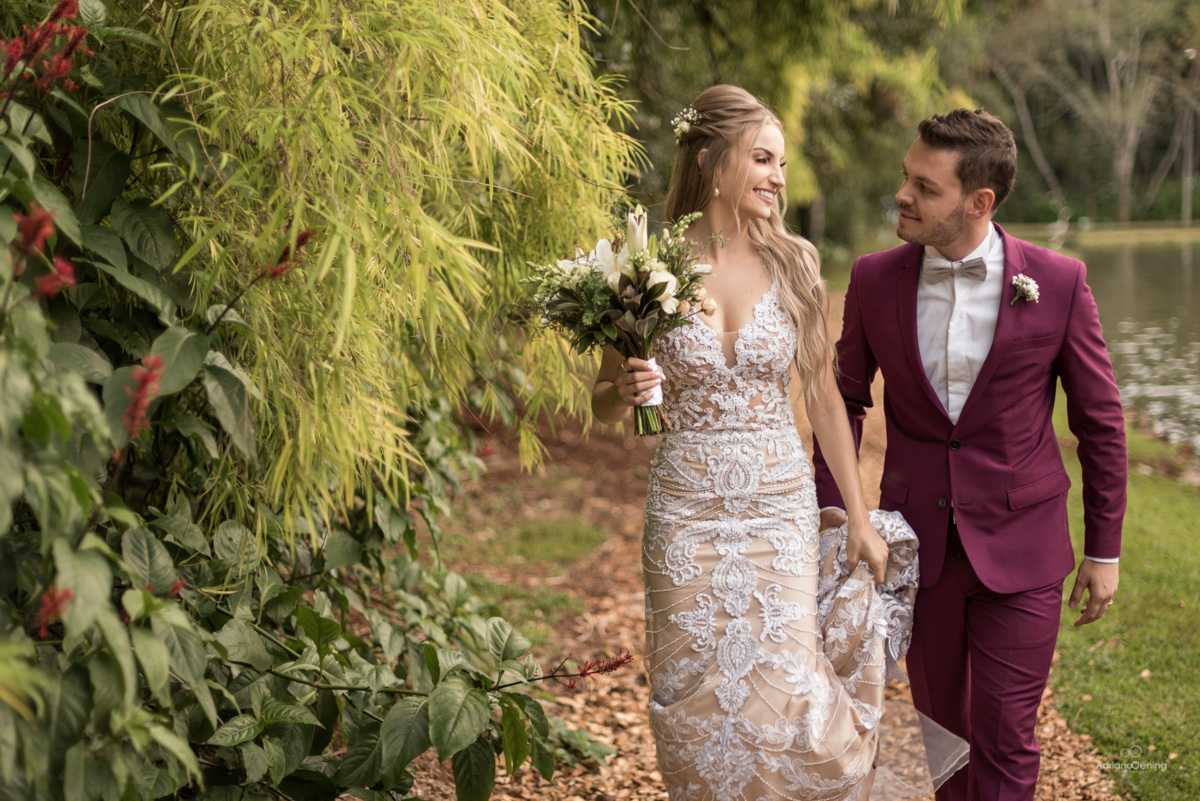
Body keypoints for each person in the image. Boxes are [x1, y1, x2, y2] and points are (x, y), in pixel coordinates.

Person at [592, 85, 962, 801]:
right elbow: (602, 400)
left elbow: (824, 398)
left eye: (782, 163)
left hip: (777, 511)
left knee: (786, 695)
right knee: (693, 703)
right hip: (686, 517)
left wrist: (856, 517)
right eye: (762, 158)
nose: (777, 177)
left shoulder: (796, 263)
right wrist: (627, 388)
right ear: (710, 160)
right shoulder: (641, 271)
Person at [813, 109, 1126, 801]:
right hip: (918, 553)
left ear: (979, 202)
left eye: (925, 187)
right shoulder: (873, 279)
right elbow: (842, 399)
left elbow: (1100, 421)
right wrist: (834, 510)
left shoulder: (1060, 281)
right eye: (906, 177)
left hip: (1024, 545)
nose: (903, 195)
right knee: (944, 738)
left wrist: (1104, 550)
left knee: (1006, 736)